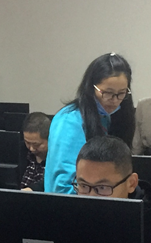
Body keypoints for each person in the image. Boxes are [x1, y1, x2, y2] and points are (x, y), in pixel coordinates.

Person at [45, 53, 136, 193]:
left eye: (121, 93)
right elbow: (63, 187)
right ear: (91, 87)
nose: (114, 100)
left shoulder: (108, 117)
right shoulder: (69, 121)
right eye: (107, 93)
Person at [20, 112, 50, 191]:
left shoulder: (56, 159)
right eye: (27, 143)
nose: (31, 149)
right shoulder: (22, 152)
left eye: (36, 144)